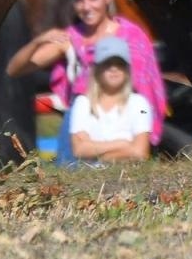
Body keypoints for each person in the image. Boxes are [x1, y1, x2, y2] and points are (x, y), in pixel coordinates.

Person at [5, 0, 166, 148]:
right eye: (79, 1)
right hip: (81, 124)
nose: (86, 7)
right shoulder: (70, 39)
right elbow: (14, 69)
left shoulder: (131, 35)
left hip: (122, 121)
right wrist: (39, 41)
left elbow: (143, 83)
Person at [66, 35, 154, 163]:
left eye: (120, 64)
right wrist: (122, 144)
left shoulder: (141, 105)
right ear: (97, 69)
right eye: (107, 64)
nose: (114, 69)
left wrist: (98, 157)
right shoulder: (82, 103)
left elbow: (140, 152)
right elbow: (79, 149)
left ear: (127, 70)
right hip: (91, 180)